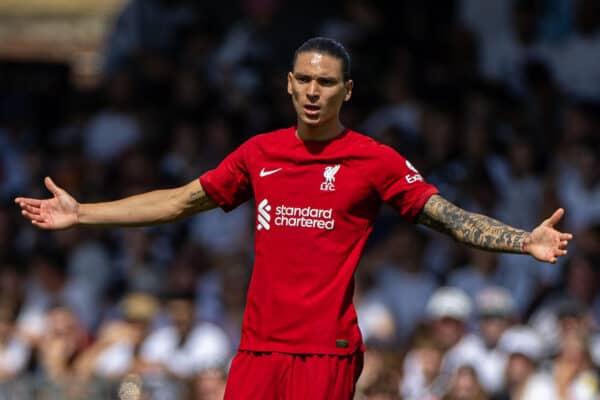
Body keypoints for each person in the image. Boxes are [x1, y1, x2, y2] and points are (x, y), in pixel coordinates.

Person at [15, 37, 573, 399]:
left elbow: (446, 216)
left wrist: (524, 241)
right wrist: (83, 211)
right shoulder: (259, 153)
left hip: (323, 353)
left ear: (346, 91)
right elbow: (181, 199)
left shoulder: (373, 160)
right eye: (304, 79)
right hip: (258, 349)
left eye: (326, 82)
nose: (312, 91)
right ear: (288, 83)